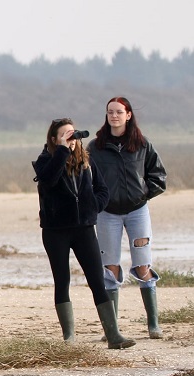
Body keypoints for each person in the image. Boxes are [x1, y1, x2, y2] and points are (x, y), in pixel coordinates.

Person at [34, 118, 135, 349]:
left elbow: (102, 189)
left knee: (97, 281)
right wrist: (61, 150)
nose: (73, 139)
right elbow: (48, 180)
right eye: (66, 135)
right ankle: (69, 337)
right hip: (55, 231)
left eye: (73, 135)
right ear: (53, 139)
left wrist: (93, 206)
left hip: (84, 229)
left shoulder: (86, 161)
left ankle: (113, 335)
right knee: (62, 281)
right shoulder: (44, 161)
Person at [89, 97, 168, 340]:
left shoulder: (142, 145)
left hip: (137, 212)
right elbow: (84, 178)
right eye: (110, 112)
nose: (114, 116)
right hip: (107, 214)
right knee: (110, 268)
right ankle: (112, 330)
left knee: (143, 266)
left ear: (128, 115)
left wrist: (143, 193)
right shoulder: (95, 147)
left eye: (119, 112)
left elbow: (158, 176)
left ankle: (153, 325)